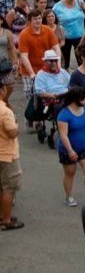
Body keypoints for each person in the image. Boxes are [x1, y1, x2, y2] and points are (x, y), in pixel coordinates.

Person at [56, 87, 85, 207]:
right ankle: (68, 196)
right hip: (68, 148)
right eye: (83, 97)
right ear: (75, 99)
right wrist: (70, 151)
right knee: (70, 173)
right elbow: (63, 135)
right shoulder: (64, 115)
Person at [0, 75, 22, 231]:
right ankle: (6, 219)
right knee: (9, 187)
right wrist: (17, 125)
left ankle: (2, 215)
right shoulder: (5, 111)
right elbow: (12, 132)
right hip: (7, 153)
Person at [52, 0, 85, 69]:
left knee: (82, 60)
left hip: (80, 36)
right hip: (65, 37)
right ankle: (66, 78)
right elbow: (53, 23)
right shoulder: (57, 7)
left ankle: (82, 78)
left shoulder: (79, 2)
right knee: (65, 62)